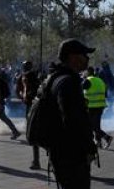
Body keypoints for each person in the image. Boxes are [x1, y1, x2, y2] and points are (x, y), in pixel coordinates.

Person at [47, 39, 98, 189]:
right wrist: (88, 148)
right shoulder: (69, 82)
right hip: (71, 155)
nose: (87, 59)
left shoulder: (56, 78)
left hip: (60, 152)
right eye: (84, 54)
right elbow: (73, 121)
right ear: (73, 57)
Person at [17, 60, 42, 169]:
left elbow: (39, 91)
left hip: (35, 106)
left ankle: (36, 161)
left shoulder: (34, 77)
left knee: (34, 134)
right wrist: (23, 96)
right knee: (33, 134)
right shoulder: (23, 77)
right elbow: (18, 90)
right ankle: (36, 161)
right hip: (31, 106)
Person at [82, 66, 112, 149]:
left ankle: (106, 137)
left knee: (91, 126)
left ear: (88, 72)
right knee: (96, 125)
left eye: (85, 72)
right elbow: (106, 93)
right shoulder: (99, 80)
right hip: (100, 105)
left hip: (91, 106)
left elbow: (79, 89)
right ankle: (98, 142)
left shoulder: (88, 80)